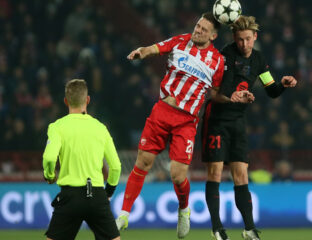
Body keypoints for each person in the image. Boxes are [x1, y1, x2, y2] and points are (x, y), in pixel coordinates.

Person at [115, 12, 254, 239]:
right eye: (198, 26)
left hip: (187, 121)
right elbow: (155, 48)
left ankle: (184, 209)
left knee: (177, 175)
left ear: (213, 36)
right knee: (143, 162)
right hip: (161, 112)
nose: (198, 30)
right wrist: (143, 52)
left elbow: (217, 94)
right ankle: (123, 213)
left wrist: (234, 97)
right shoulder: (180, 41)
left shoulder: (218, 62)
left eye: (203, 29)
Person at [202, 15, 297, 240]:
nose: (244, 44)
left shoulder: (259, 60)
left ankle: (249, 228)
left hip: (237, 121)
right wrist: (232, 96)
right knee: (215, 172)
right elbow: (214, 94)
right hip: (216, 119)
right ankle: (217, 228)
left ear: (255, 36)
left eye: (247, 39)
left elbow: (271, 90)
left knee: (242, 175)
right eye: (239, 40)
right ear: (234, 38)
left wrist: (282, 85)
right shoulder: (224, 56)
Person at [43, 79, 122, 240]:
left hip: (70, 196)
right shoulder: (100, 128)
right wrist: (108, 192)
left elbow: (49, 157)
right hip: (97, 195)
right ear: (87, 100)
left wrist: (49, 175)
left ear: (66, 101)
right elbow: (116, 166)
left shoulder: (57, 127)